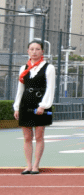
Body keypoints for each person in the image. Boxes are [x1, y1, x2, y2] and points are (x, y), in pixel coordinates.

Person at [14, 40, 56, 175]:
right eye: (31, 49)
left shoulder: (49, 67)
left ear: (42, 51)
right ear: (28, 51)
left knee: (39, 135)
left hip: (40, 105)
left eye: (37, 49)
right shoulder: (23, 68)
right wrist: (16, 107)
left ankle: (36, 166)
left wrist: (43, 106)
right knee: (27, 137)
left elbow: (50, 88)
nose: (34, 52)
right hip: (25, 104)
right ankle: (28, 165)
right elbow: (20, 89)